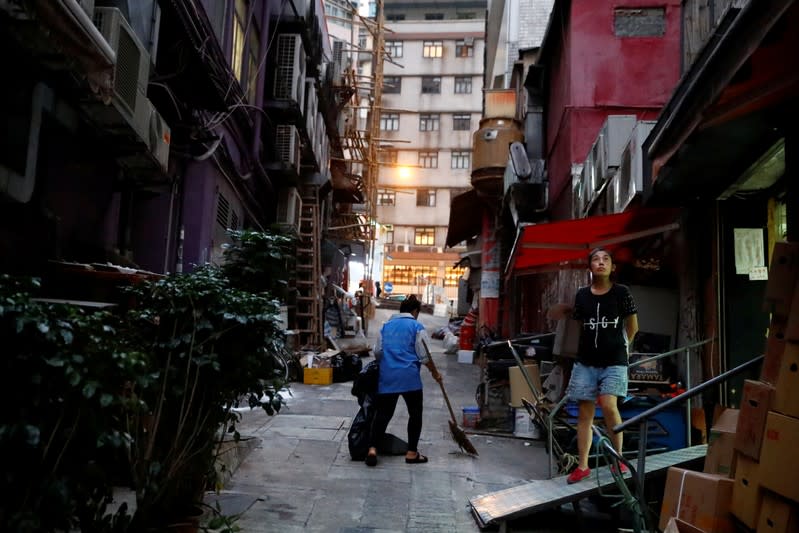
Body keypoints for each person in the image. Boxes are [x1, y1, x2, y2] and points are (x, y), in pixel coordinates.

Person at [562, 248, 639, 484]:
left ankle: (618, 460)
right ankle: (583, 466)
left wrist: (622, 347)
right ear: (590, 268)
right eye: (596, 259)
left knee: (608, 404)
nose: (601, 263)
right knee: (584, 413)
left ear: (613, 267)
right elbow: (579, 325)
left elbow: (632, 326)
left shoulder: (621, 293)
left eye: (606, 259)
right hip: (586, 361)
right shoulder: (582, 295)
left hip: (614, 361)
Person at [365, 295, 442, 466]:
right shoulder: (416, 326)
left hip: (389, 376)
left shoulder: (386, 327)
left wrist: (389, 363)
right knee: (415, 414)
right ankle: (412, 453)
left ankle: (372, 449)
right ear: (415, 311)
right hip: (409, 378)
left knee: (383, 414)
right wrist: (435, 373)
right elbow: (424, 355)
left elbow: (378, 352)